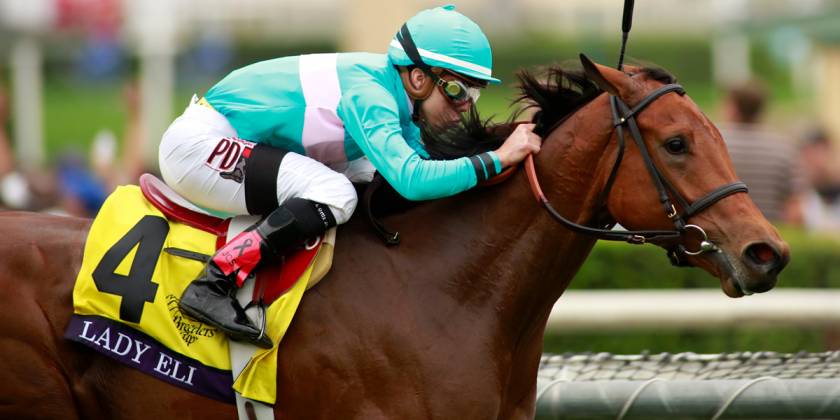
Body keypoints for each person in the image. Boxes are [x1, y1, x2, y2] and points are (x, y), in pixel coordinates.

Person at [158, 5, 542, 348]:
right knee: (336, 192)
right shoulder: (371, 95)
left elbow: (427, 169)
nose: (464, 108)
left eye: (473, 95)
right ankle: (215, 282)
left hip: (238, 141)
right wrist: (497, 158)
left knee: (366, 176)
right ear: (418, 79)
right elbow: (414, 179)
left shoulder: (397, 98)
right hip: (198, 145)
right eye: (457, 91)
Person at [717, 80, 806, 224]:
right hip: (770, 231)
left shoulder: (716, 143)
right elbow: (794, 209)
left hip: (725, 230)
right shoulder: (783, 148)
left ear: (733, 107)